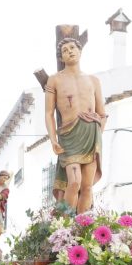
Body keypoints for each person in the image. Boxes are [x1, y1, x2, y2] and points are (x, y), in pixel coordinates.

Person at [45, 37, 107, 213]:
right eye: (65, 50)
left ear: (80, 51)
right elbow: (48, 113)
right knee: (74, 182)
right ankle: (64, 227)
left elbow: (102, 113)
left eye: (72, 47)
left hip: (91, 134)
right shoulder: (54, 80)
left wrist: (98, 130)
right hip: (69, 137)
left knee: (87, 187)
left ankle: (81, 226)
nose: (70, 51)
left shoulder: (93, 80)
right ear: (61, 58)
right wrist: (53, 140)